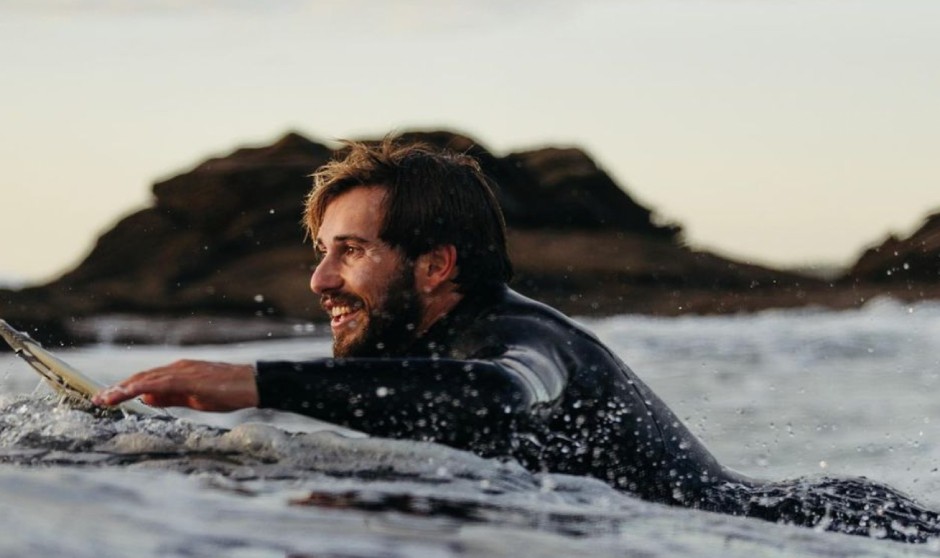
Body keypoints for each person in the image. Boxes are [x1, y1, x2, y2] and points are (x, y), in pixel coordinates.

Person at [94, 138, 940, 542]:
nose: (319, 283)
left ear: (435, 265)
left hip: (829, 531)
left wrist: (250, 381)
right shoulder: (423, 357)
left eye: (348, 252)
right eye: (322, 253)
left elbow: (496, 394)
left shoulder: (521, 341)